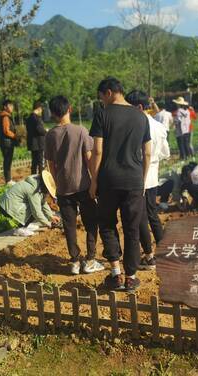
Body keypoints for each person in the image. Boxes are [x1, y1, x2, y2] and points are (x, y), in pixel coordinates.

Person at [89, 77, 152, 291]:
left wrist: (94, 180)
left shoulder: (102, 115)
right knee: (132, 228)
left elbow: (97, 150)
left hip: (109, 179)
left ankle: (115, 273)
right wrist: (142, 181)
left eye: (101, 97)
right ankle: (131, 277)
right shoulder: (141, 116)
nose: (102, 102)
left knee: (107, 223)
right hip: (134, 180)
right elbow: (147, 152)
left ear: (108, 92)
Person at [45, 95, 104, 276]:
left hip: (63, 188)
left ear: (53, 113)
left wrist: (57, 183)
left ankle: (74, 261)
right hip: (83, 185)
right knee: (91, 223)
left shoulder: (50, 135)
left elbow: (51, 165)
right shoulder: (80, 131)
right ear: (69, 109)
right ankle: (90, 259)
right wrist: (95, 181)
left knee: (69, 226)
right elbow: (89, 159)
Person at [125, 90, 170, 271]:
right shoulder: (158, 126)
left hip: (138, 176)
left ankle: (149, 256)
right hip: (153, 176)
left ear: (139, 107)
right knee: (152, 214)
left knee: (141, 217)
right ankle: (163, 251)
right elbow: (165, 153)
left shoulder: (135, 126)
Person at [0, 170, 60, 236]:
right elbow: (36, 212)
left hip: (7, 203)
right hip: (6, 207)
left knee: (36, 206)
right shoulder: (33, 190)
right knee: (34, 208)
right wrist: (48, 224)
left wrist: (51, 216)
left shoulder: (37, 185)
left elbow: (43, 203)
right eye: (48, 190)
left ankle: (26, 225)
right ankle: (20, 228)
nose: (48, 193)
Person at [0, 99, 18, 185]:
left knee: (8, 160)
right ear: (5, 107)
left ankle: (8, 179)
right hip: (7, 143)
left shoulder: (7, 116)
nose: (12, 107)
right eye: (10, 106)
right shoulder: (5, 117)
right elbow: (6, 131)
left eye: (12, 106)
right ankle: (8, 180)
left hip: (7, 142)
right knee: (7, 160)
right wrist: (15, 136)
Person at [26, 101, 47, 174]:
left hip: (32, 143)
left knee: (34, 162)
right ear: (39, 108)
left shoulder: (28, 118)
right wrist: (46, 131)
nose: (41, 111)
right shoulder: (37, 118)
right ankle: (42, 178)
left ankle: (33, 177)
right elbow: (40, 130)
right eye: (41, 109)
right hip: (39, 144)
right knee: (41, 162)